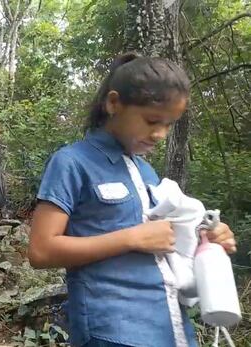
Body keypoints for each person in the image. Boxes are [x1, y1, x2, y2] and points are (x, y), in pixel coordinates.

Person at [27, 53, 237, 347]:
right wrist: (131, 239)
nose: (160, 134)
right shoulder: (72, 162)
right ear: (114, 103)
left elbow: (165, 240)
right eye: (152, 120)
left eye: (169, 124)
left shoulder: (146, 171)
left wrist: (207, 237)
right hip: (114, 329)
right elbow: (41, 250)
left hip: (172, 327)